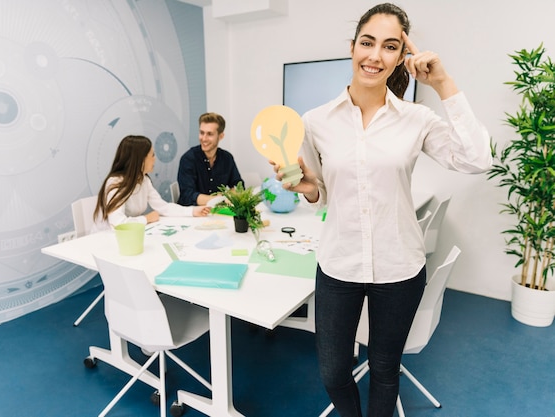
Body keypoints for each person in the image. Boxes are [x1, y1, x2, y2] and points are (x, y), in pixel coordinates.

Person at [273, 4, 492, 417]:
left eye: (389, 46)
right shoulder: (316, 120)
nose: (375, 56)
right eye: (367, 42)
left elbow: (478, 159)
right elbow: (319, 188)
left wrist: (444, 83)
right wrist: (307, 189)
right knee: (333, 372)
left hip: (400, 266)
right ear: (352, 46)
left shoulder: (417, 119)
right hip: (339, 265)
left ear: (400, 57)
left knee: (385, 368)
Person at [92, 135, 210, 232]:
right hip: (106, 239)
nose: (155, 159)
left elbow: (163, 207)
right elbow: (118, 224)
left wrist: (193, 211)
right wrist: (146, 219)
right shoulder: (116, 183)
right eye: (152, 155)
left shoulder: (143, 180)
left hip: (129, 236)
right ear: (140, 159)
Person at [177, 112, 244, 206]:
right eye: (201, 133)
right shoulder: (188, 159)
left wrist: (232, 195)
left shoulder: (227, 158)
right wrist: (219, 200)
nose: (204, 138)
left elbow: (238, 184)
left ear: (221, 136)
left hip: (217, 214)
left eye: (210, 134)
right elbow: (187, 196)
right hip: (192, 215)